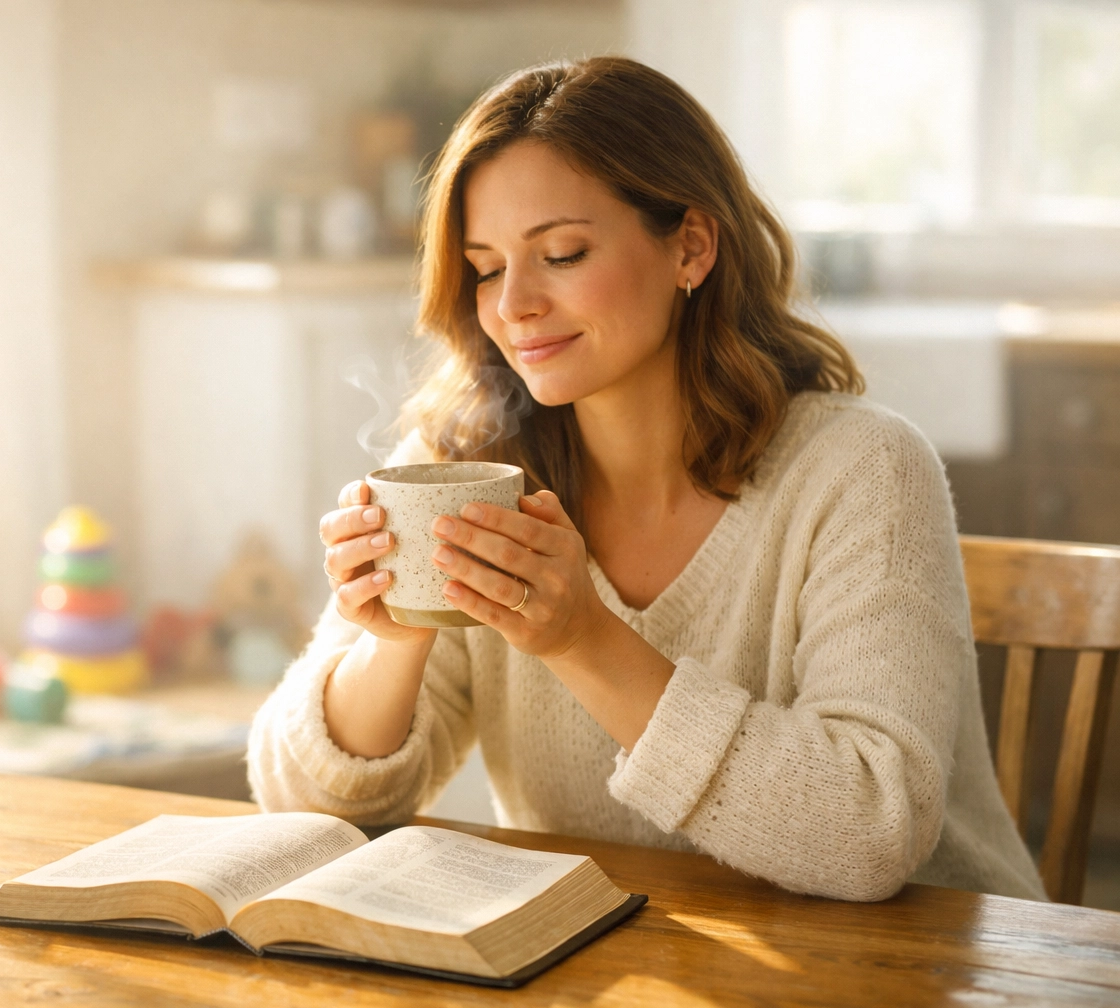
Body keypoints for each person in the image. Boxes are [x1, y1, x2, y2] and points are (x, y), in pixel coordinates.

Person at [247, 56, 1044, 902]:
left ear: (691, 246)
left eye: (561, 252)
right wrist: (394, 637)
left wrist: (583, 639)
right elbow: (302, 803)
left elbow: (871, 835)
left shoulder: (863, 471)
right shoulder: (467, 466)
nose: (512, 304)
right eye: (485, 266)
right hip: (616, 969)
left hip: (922, 975)